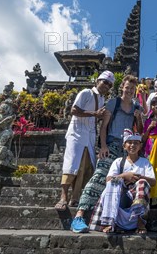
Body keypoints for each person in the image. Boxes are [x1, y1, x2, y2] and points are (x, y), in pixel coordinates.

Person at [71, 75, 143, 233]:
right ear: (122, 87)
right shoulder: (113, 103)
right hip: (111, 145)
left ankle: (114, 219)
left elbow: (140, 130)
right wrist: (103, 146)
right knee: (99, 176)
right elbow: (104, 127)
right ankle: (79, 215)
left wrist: (138, 119)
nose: (129, 91)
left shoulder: (136, 107)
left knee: (123, 182)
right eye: (127, 87)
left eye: (132, 88)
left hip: (127, 149)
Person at [55, 71, 114, 211]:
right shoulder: (86, 92)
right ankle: (63, 197)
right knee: (72, 163)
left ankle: (75, 198)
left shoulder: (101, 100)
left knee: (84, 166)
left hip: (89, 136)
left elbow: (94, 117)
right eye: (105, 82)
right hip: (77, 133)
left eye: (109, 85)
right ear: (97, 81)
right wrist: (95, 114)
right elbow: (74, 110)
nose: (106, 86)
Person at [89, 129, 156, 234]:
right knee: (113, 183)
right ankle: (108, 221)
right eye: (130, 143)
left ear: (140, 146)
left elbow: (153, 182)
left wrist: (139, 177)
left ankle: (140, 221)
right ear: (124, 146)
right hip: (120, 198)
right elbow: (108, 180)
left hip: (137, 198)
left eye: (136, 143)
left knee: (142, 183)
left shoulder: (145, 162)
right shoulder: (118, 161)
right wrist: (125, 176)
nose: (132, 145)